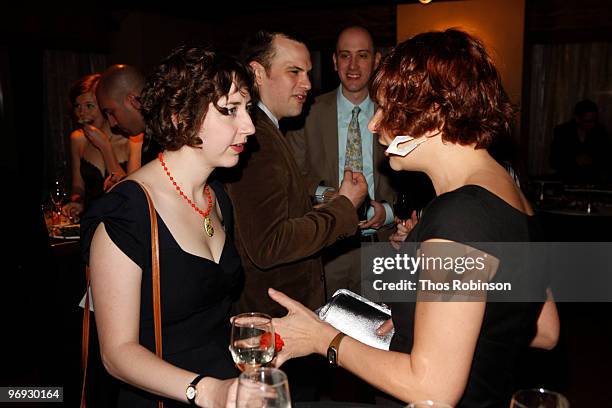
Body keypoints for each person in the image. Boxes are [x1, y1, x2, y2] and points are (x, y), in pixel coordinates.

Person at [268, 29, 560, 407]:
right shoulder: (510, 191)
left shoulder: (460, 217)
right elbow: (544, 328)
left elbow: (433, 389)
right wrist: (433, 319)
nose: (375, 125)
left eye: (387, 109)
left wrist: (322, 338)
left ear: (433, 114)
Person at [81, 46, 255, 407]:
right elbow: (116, 354)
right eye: (229, 110)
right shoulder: (127, 213)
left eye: (247, 109)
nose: (249, 127)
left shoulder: (217, 197)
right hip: (169, 397)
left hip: (230, 390)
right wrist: (206, 391)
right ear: (180, 118)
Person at [224, 30, 368, 317]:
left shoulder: (268, 131)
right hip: (273, 318)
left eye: (307, 73)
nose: (307, 84)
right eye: (294, 71)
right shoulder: (256, 139)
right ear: (258, 73)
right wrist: (344, 206)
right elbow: (270, 244)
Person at [287, 25, 397, 298]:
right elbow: (295, 175)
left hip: (383, 246)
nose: (353, 65)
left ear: (377, 61)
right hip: (328, 248)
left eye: (362, 55)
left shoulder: (396, 115)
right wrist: (331, 196)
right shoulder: (306, 113)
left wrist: (388, 213)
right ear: (334, 61)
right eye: (345, 56)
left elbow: (414, 183)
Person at [62, 73, 142, 218]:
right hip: (91, 220)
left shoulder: (132, 137)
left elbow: (130, 194)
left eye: (89, 106)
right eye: (77, 106)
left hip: (123, 221)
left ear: (104, 106)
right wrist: (77, 202)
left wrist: (105, 147)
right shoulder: (78, 139)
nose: (81, 112)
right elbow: (78, 186)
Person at [96, 64, 160, 163]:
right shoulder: (151, 132)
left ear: (132, 100)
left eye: (111, 112)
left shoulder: (171, 131)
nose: (112, 123)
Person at [550, 99, 611, 185]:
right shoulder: (563, 132)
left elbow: (607, 158)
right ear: (577, 118)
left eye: (594, 120)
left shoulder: (600, 132)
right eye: (588, 121)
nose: (592, 124)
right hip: (567, 181)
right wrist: (574, 160)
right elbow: (554, 160)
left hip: (593, 182)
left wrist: (592, 160)